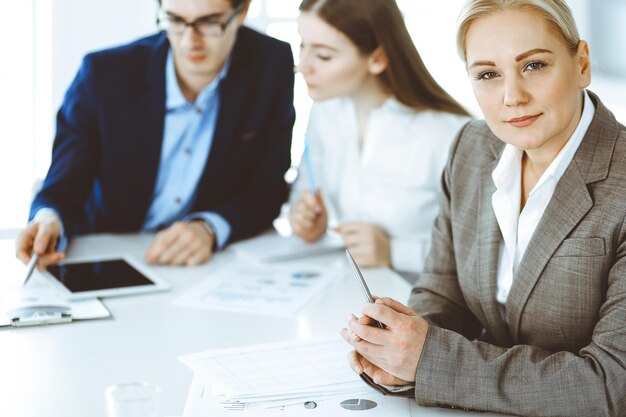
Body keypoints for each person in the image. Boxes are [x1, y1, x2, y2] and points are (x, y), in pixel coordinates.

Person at [341, 0, 626, 415]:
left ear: (581, 63)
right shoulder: (470, 149)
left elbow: (610, 385)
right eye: (489, 74)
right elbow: (443, 296)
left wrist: (429, 361)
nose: (513, 96)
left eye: (534, 66)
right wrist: (398, 354)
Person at [15, 0, 294, 268]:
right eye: (175, 20)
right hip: (104, 254)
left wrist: (209, 227)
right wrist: (48, 219)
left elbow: (268, 187)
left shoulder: (271, 65)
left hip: (204, 266)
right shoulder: (104, 75)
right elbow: (62, 186)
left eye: (209, 22)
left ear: (242, 11)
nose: (189, 41)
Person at [289, 0, 470, 274]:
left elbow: (481, 255)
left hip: (423, 302)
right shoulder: (325, 113)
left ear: (377, 59)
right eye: (303, 45)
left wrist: (395, 252)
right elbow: (306, 185)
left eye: (324, 56)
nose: (301, 66)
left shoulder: (449, 135)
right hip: (347, 287)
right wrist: (304, 218)